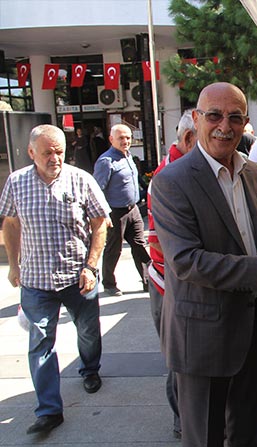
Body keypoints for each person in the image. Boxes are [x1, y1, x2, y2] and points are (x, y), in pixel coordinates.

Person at [150, 82, 257, 446]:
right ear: (196, 119)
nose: (225, 126)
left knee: (249, 432)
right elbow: (186, 261)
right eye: (214, 115)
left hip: (253, 328)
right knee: (206, 437)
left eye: (235, 117)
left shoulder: (252, 172)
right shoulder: (171, 182)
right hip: (203, 336)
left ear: (245, 123)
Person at [0, 124, 110, 435]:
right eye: (47, 152)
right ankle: (49, 410)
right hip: (36, 281)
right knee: (40, 344)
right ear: (31, 152)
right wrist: (13, 265)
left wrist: (91, 267)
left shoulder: (80, 179)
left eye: (59, 151)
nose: (55, 158)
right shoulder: (16, 182)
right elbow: (10, 223)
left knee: (88, 332)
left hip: (78, 277)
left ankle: (90, 368)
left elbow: (100, 224)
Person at [146, 109, 196, 439]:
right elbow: (160, 245)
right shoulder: (168, 177)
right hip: (170, 284)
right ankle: (183, 420)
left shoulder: (189, 169)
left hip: (182, 281)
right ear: (189, 138)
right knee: (178, 358)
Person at [93, 124, 150, 296]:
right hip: (115, 212)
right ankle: (109, 283)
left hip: (133, 210)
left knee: (140, 246)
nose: (125, 141)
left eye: (128, 137)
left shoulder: (128, 156)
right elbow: (97, 190)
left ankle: (148, 281)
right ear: (111, 139)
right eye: (121, 138)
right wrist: (104, 215)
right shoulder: (106, 161)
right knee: (114, 249)